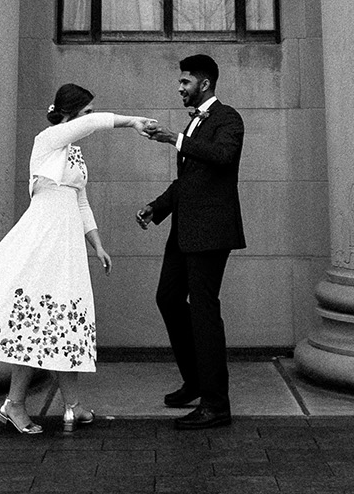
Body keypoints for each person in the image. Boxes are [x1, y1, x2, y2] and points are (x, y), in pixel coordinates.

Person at [0, 84, 156, 435]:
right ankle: (16, 404)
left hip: (66, 241)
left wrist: (98, 245)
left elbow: (81, 202)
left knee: (59, 323)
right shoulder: (48, 139)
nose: (89, 118)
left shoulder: (73, 153)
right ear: (71, 113)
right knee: (38, 321)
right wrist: (131, 121)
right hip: (42, 237)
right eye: (86, 111)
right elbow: (90, 125)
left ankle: (70, 405)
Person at [136, 54, 244, 430]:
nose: (180, 88)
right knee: (167, 298)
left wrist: (175, 139)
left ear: (205, 84)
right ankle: (196, 380)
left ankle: (216, 405)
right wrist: (157, 206)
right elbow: (190, 182)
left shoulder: (228, 118)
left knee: (203, 311)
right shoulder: (196, 126)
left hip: (211, 233)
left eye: (185, 82)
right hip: (183, 231)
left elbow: (223, 157)